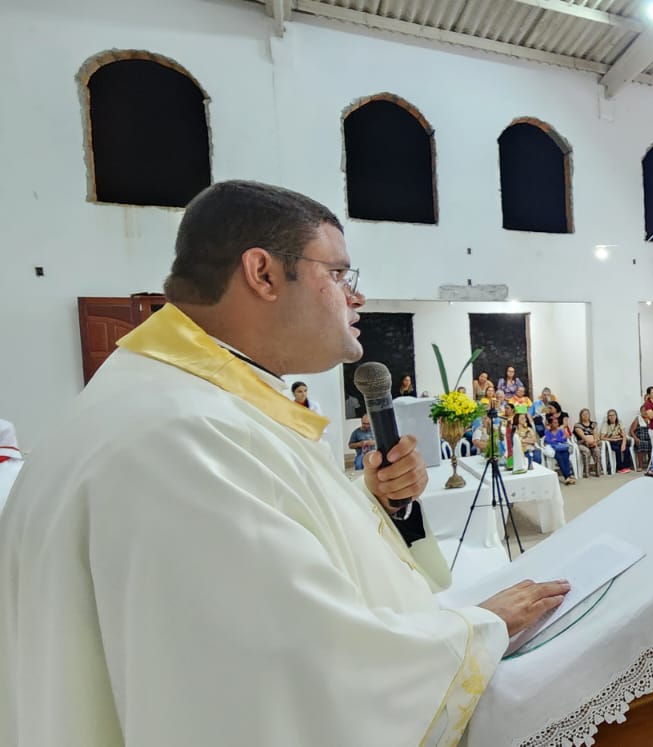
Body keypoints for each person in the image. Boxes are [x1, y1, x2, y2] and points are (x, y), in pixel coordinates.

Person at [0, 181, 568, 746]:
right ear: (263, 273)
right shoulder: (179, 436)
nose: (357, 297)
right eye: (340, 274)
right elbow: (292, 668)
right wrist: (481, 629)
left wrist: (371, 500)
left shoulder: (183, 400)